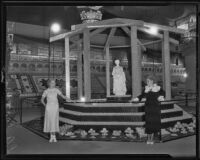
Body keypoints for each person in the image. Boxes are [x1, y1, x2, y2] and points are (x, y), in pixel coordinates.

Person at [132, 75, 165, 144]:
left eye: (148, 81)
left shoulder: (158, 88)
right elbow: (141, 95)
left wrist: (161, 97)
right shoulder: (146, 88)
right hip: (148, 107)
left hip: (155, 107)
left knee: (153, 122)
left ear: (152, 81)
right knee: (148, 122)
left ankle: (151, 139)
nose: (147, 82)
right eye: (147, 81)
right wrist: (136, 99)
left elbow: (163, 93)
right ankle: (148, 138)